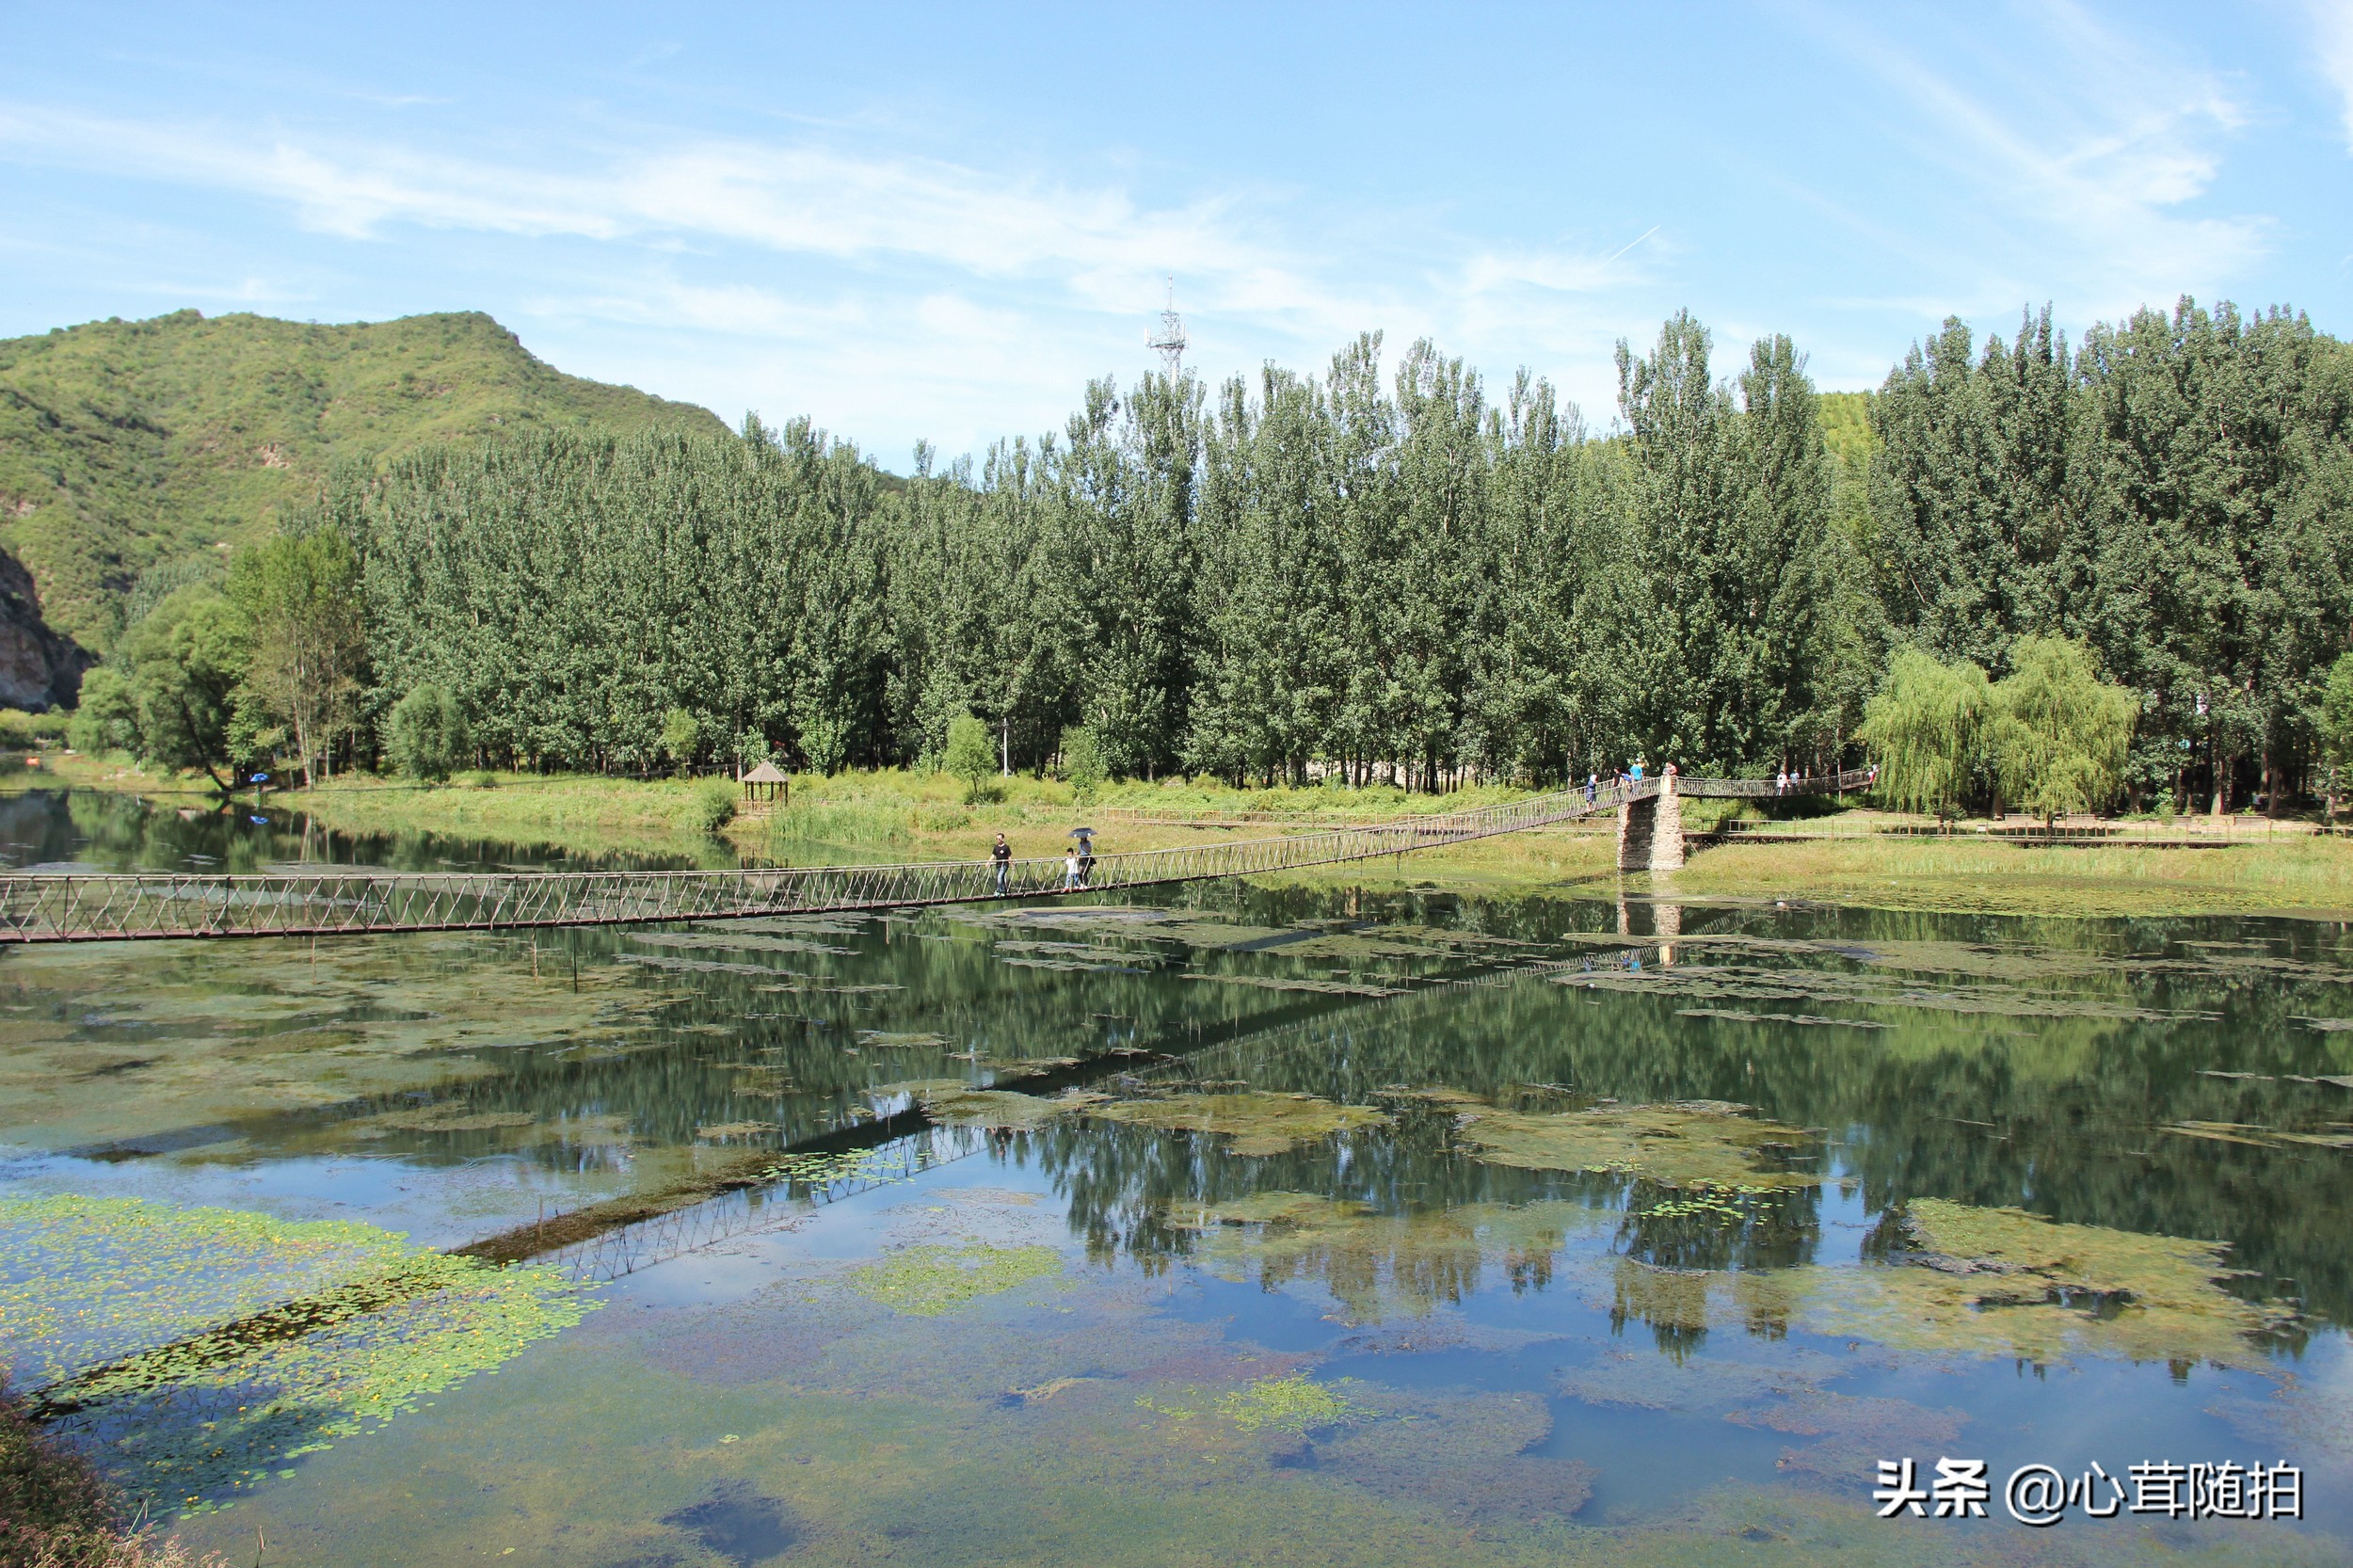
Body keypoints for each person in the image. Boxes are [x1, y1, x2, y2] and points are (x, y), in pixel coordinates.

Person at [990, 832, 1012, 896]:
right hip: (998, 865)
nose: (998, 840)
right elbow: (993, 855)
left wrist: (1011, 864)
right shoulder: (996, 847)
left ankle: (998, 890)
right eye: (996, 839)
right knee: (1000, 878)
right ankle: (1003, 891)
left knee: (999, 877)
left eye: (999, 839)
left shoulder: (1006, 847)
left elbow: (1009, 856)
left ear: (1002, 839)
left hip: (1004, 865)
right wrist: (988, 862)